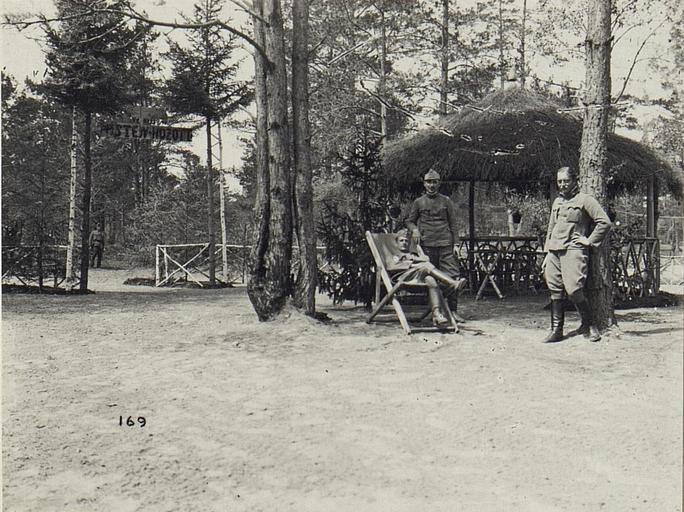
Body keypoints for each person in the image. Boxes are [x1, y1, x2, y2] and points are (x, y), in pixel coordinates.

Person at [542, 166, 612, 343]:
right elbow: (551, 228)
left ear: (575, 181)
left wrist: (589, 240)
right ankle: (556, 330)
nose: (563, 184)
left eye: (566, 181)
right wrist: (547, 252)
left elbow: (604, 222)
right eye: (560, 181)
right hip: (554, 251)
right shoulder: (557, 202)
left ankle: (589, 324)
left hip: (573, 250)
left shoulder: (585, 200)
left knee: (574, 289)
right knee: (554, 290)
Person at [405, 169, 464, 319]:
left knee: (453, 276)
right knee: (430, 278)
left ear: (439, 183)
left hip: (446, 245)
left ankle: (453, 311)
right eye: (429, 182)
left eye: (434, 182)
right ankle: (436, 311)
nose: (431, 185)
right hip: (427, 247)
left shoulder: (446, 201)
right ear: (424, 184)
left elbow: (453, 224)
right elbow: (410, 221)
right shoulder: (419, 202)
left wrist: (456, 244)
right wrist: (415, 230)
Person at [387, 229, 467, 327]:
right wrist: (413, 264)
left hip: (417, 278)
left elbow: (426, 259)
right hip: (403, 278)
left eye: (406, 241)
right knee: (426, 266)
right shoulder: (394, 255)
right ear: (396, 243)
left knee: (431, 280)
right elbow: (392, 267)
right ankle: (452, 283)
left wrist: (418, 249)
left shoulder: (413, 254)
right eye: (401, 240)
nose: (404, 243)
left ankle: (437, 314)